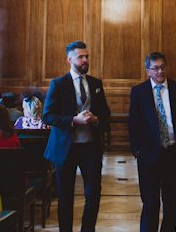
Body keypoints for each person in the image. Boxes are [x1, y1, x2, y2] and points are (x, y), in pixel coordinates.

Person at [44, 41, 110, 232]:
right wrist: (73, 120)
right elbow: (48, 115)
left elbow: (105, 114)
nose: (85, 60)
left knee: (93, 195)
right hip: (66, 147)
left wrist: (95, 118)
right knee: (65, 198)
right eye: (80, 56)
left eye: (87, 56)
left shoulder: (96, 84)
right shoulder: (58, 84)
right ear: (69, 59)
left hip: (90, 147)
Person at [128, 52, 176, 232]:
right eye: (155, 68)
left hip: (174, 154)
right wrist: (137, 150)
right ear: (148, 71)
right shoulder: (139, 91)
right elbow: (133, 123)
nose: (160, 71)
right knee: (150, 204)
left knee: (171, 205)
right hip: (148, 156)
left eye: (163, 66)